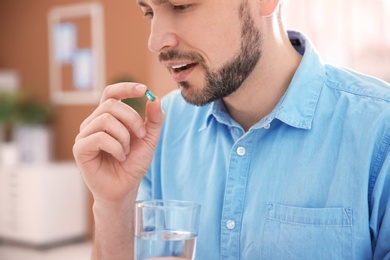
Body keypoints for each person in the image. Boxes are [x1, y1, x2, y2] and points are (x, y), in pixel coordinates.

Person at [73, 0, 390, 259]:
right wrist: (113, 205)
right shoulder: (159, 128)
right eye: (150, 12)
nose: (155, 42)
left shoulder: (379, 128)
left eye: (181, 6)